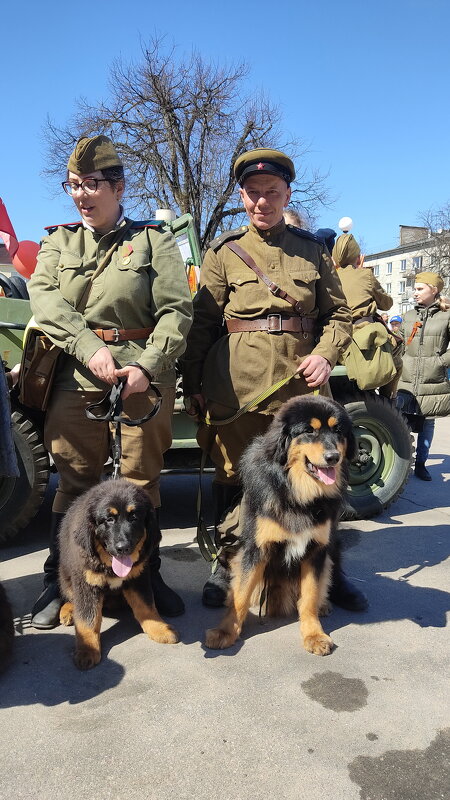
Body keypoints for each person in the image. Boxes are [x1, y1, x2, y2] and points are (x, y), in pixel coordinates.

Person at [181, 147, 367, 612]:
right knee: (233, 478)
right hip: (236, 388)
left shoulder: (313, 250)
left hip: (302, 390)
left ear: (287, 195)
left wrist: (326, 356)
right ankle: (227, 568)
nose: (262, 202)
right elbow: (202, 323)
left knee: (323, 481)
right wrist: (195, 384)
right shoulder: (224, 253)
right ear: (242, 196)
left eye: (272, 193)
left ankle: (330, 572)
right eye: (253, 193)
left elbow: (340, 314)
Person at [28, 135, 193, 628]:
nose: (81, 195)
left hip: (144, 379)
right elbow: (46, 301)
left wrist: (146, 365)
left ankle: (149, 576)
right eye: (74, 185)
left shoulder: (153, 241)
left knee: (142, 483)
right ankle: (58, 580)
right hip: (76, 378)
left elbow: (177, 310)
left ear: (119, 187)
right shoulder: (59, 242)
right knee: (76, 482)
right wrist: (89, 348)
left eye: (92, 184)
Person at [332, 232, 403, 399]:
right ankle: (388, 401)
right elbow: (386, 304)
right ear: (357, 256)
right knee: (397, 357)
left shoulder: (329, 277)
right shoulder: (365, 275)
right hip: (363, 334)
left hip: (336, 335)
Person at [397, 271, 450, 481]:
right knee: (401, 423)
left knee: (427, 423)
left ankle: (421, 464)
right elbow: (400, 343)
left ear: (434, 289)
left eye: (419, 288)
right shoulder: (409, 316)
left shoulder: (446, 316)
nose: (414, 292)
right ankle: (401, 466)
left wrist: (440, 362)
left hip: (432, 379)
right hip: (406, 379)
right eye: (414, 288)